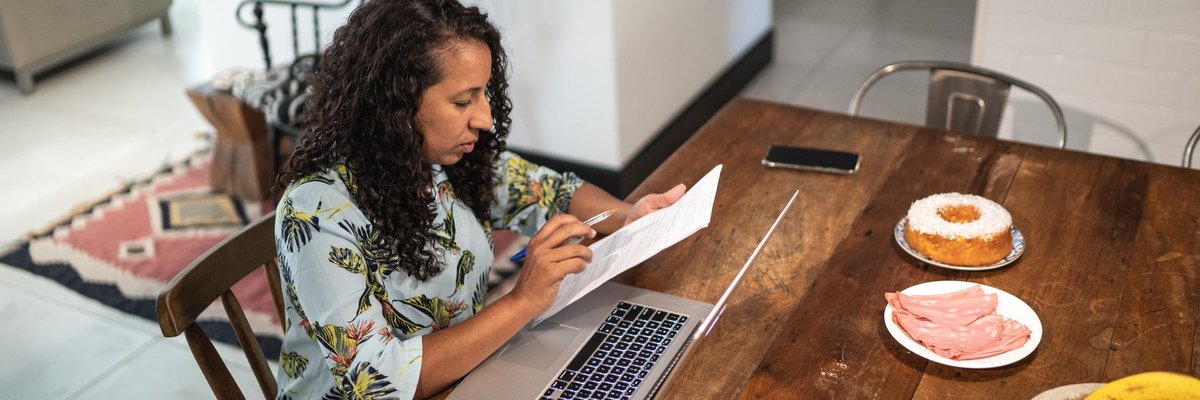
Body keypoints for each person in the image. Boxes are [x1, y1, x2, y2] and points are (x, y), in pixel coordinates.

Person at [272, 1, 686, 398]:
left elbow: (553, 190)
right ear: (394, 104)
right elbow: (376, 383)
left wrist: (630, 215)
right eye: (462, 100)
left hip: (465, 375)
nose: (486, 119)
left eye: (484, 93)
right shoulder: (317, 211)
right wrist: (522, 302)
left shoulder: (444, 160)